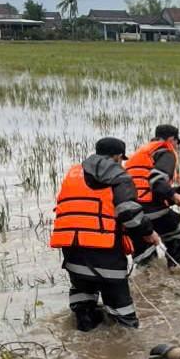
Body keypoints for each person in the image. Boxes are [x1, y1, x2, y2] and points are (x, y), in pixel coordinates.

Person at [50, 137, 160, 331]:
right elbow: (129, 213)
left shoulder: (74, 172)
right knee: (123, 315)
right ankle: (126, 352)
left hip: (71, 249)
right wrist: (148, 232)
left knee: (83, 304)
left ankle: (85, 346)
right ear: (117, 157)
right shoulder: (119, 175)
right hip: (104, 253)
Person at [124, 124, 180, 269]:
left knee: (146, 261)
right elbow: (157, 181)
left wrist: (179, 191)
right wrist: (173, 194)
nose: (177, 146)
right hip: (152, 212)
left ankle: (150, 280)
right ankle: (176, 270)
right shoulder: (166, 151)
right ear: (171, 139)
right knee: (176, 232)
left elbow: (148, 190)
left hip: (132, 214)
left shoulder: (142, 153)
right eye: (177, 142)